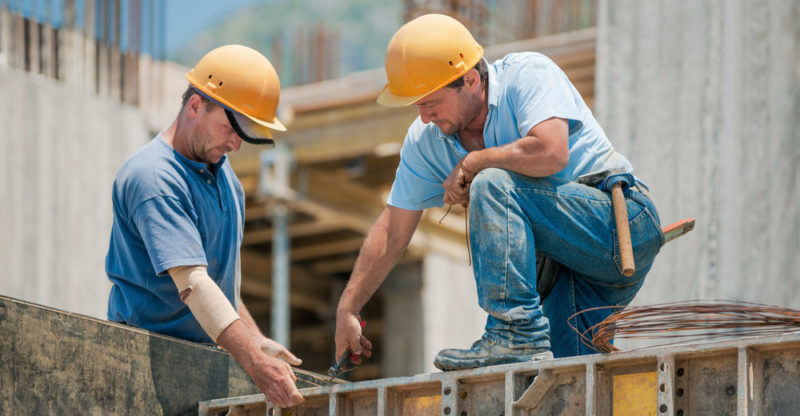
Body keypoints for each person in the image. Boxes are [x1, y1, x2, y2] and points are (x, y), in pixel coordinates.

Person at [334, 14, 664, 371]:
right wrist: (348, 307)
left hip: (619, 226)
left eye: (430, 103)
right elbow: (393, 229)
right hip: (566, 271)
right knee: (568, 382)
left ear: (471, 79)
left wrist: (477, 161)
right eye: (417, 106)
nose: (425, 117)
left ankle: (515, 334)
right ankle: (521, 339)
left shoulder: (527, 75)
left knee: (492, 182)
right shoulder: (426, 141)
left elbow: (552, 152)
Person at [105, 45, 304, 407]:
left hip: (197, 366)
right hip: (143, 368)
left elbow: (215, 281)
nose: (236, 144)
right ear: (195, 105)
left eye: (244, 134)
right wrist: (254, 363)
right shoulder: (154, 178)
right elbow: (193, 284)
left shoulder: (226, 180)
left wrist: (256, 340)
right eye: (230, 127)